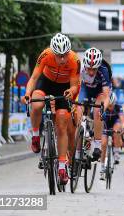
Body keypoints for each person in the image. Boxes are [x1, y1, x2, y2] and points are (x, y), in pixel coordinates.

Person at [24, 33, 80, 184]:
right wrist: (27, 93)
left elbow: (75, 85)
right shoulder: (45, 55)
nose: (62, 59)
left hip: (64, 88)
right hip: (46, 82)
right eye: (58, 55)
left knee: (62, 123)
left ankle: (62, 166)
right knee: (36, 104)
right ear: (53, 52)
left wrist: (72, 91)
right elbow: (34, 78)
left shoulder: (75, 60)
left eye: (64, 55)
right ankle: (35, 135)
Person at [76, 47, 111, 161]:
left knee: (97, 110)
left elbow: (106, 96)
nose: (91, 72)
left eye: (94, 69)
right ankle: (77, 150)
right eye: (89, 69)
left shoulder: (104, 70)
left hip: (99, 92)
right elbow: (75, 87)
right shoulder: (79, 67)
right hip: (85, 89)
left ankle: (97, 145)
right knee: (78, 110)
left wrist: (102, 109)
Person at [100, 93, 123, 180]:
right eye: (108, 106)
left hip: (114, 123)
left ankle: (116, 153)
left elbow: (122, 119)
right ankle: (102, 167)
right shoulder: (103, 107)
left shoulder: (117, 107)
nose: (110, 107)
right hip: (105, 124)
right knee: (103, 143)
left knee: (117, 129)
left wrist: (123, 127)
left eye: (111, 106)